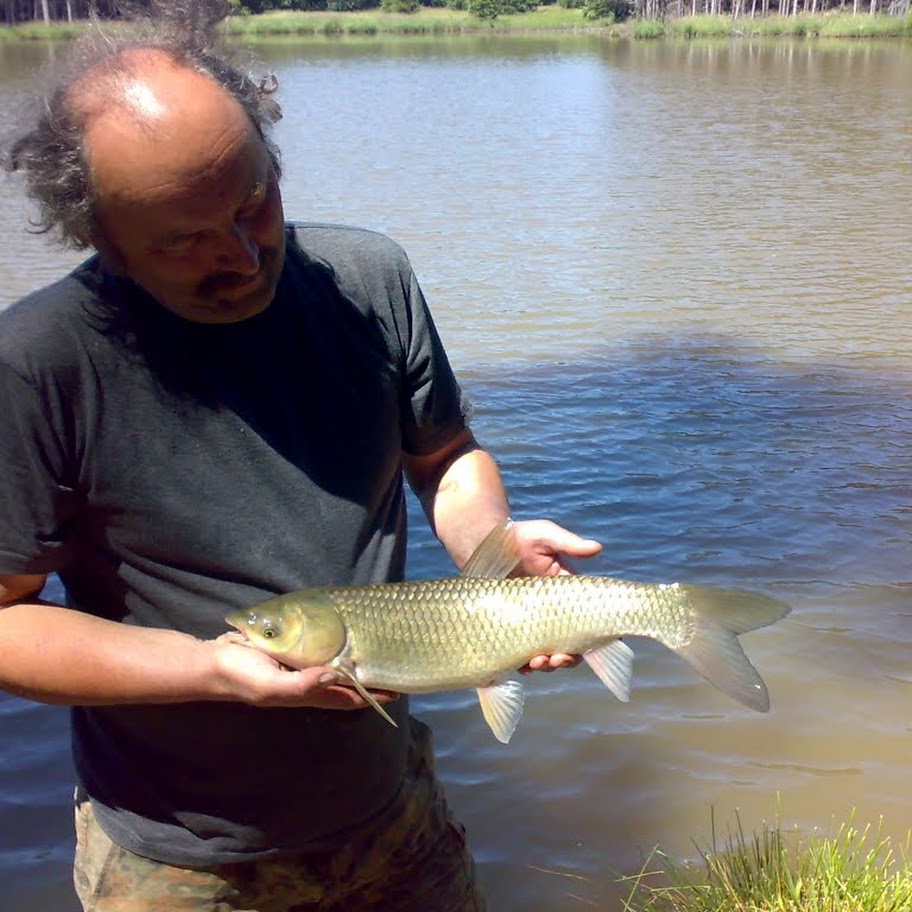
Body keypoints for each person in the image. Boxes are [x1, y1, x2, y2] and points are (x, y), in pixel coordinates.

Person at [0, 7, 602, 911]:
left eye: (253, 202)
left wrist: (494, 557)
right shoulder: (39, 364)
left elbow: (444, 454)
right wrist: (211, 671)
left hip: (390, 809)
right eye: (185, 240)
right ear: (104, 239)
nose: (241, 255)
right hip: (181, 862)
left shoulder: (368, 281)